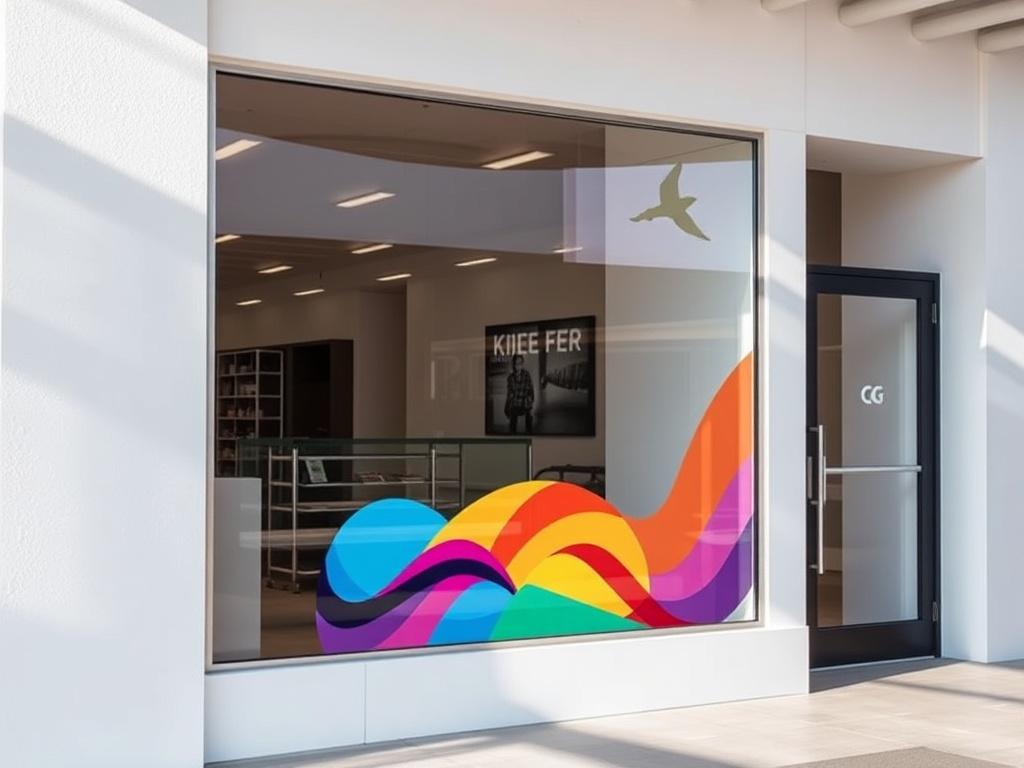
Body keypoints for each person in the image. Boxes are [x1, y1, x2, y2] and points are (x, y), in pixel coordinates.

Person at [504, 354, 534, 434]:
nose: (518, 365)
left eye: (520, 363)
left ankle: (529, 433)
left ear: (522, 364)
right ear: (513, 364)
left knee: (529, 415)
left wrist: (530, 400)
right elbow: (510, 394)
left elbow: (530, 390)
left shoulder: (526, 374)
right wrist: (507, 406)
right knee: (512, 416)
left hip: (525, 402)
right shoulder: (510, 378)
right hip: (515, 404)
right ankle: (512, 435)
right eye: (516, 363)